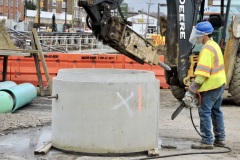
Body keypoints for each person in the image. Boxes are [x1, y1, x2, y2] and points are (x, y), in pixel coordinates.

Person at [184, 21, 226, 149]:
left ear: (205, 35)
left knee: (204, 111)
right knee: (216, 111)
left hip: (212, 85)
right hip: (220, 83)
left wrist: (191, 90)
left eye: (198, 35)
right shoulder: (214, 45)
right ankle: (220, 138)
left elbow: (202, 74)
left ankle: (207, 141)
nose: (197, 38)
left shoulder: (207, 49)